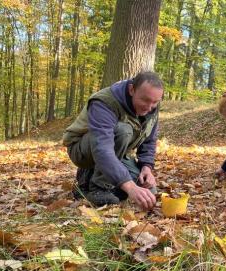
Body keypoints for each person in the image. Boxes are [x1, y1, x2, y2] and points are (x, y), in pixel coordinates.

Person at [62, 71, 163, 210]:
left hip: (118, 152)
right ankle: (97, 188)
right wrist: (129, 186)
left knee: (148, 192)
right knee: (122, 130)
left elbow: (149, 140)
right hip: (83, 149)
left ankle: (85, 187)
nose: (149, 107)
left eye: (155, 102)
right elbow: (102, 149)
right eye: (145, 100)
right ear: (132, 89)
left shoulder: (152, 105)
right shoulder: (104, 102)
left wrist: (147, 167)